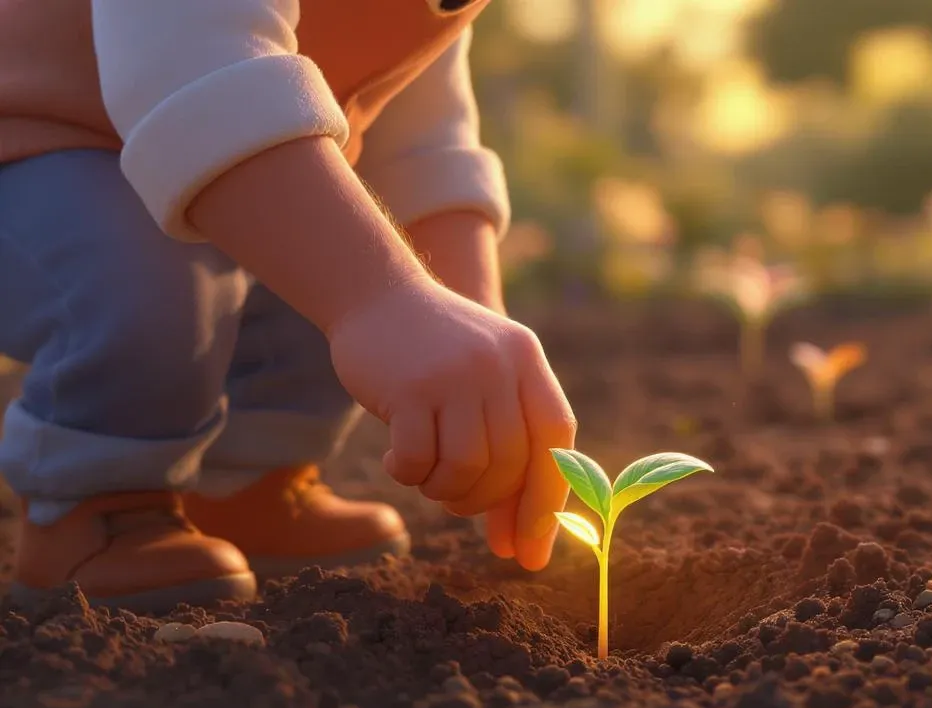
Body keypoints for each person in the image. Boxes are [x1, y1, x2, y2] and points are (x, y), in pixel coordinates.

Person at [0, 0, 578, 612]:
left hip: (199, 135)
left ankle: (247, 480)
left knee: (350, 231)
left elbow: (419, 129)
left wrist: (468, 322)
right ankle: (95, 508)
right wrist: (377, 297)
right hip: (34, 143)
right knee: (151, 277)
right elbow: (193, 60)